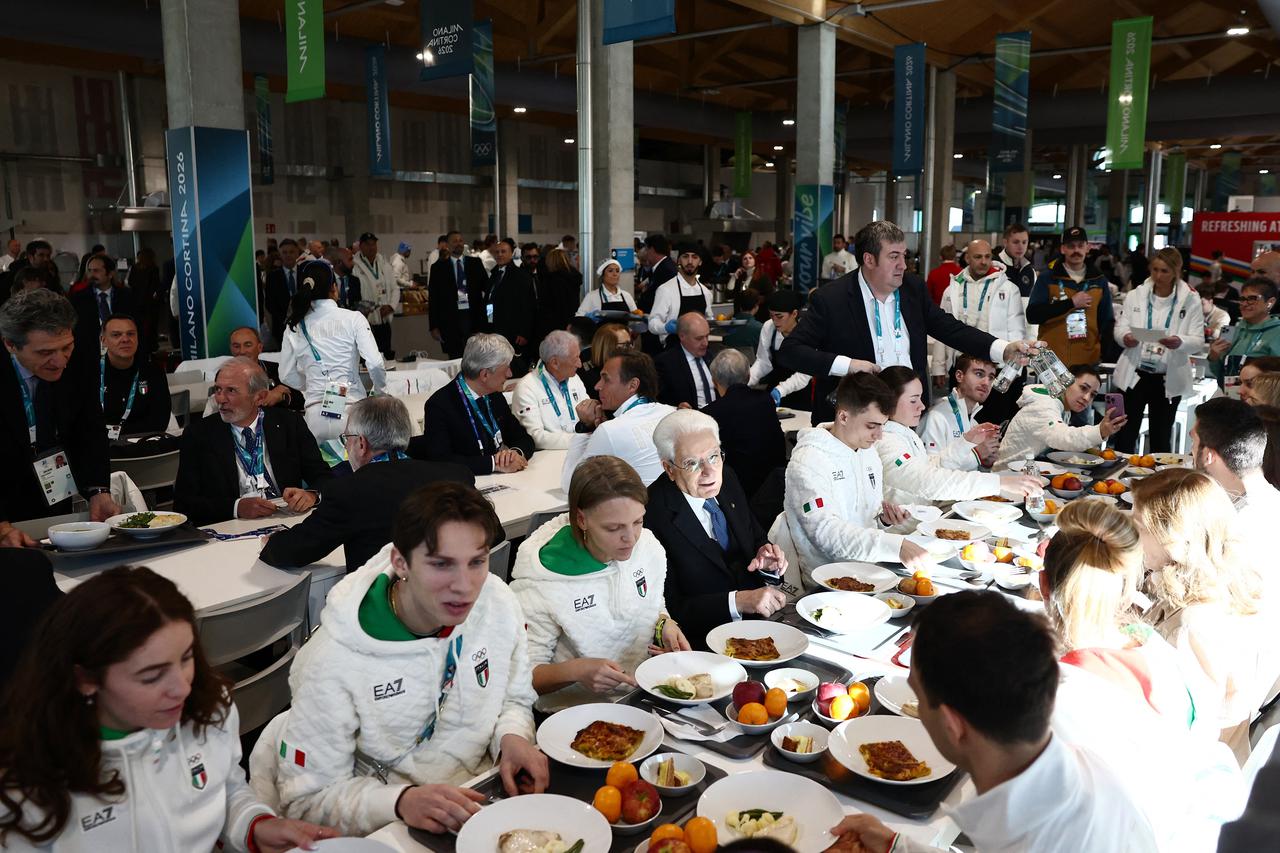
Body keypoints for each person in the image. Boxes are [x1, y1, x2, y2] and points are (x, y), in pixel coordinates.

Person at [249, 482, 548, 837]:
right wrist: (400, 801)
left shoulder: (497, 600)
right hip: (390, 829)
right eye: (442, 564)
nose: (465, 586)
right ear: (400, 562)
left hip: (483, 801)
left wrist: (513, 737)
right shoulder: (333, 659)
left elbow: (514, 695)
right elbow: (308, 800)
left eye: (477, 562)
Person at [0, 566, 337, 851]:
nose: (182, 687)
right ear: (86, 679)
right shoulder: (27, 778)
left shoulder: (208, 709)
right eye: (151, 676)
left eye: (186, 658)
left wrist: (254, 824)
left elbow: (226, 787)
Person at [827, 591, 1159, 853]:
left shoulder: (1037, 839)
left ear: (952, 725)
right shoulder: (1086, 766)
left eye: (917, 695)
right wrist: (895, 846)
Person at [777, 220, 1033, 425]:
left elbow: (950, 329)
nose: (903, 264)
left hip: (906, 419)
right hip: (855, 420)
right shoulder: (832, 299)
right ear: (869, 259)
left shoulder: (912, 288)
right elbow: (792, 352)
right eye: (894, 256)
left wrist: (1004, 348)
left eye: (904, 255)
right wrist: (848, 365)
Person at [511, 456, 688, 699]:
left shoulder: (649, 547)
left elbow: (654, 604)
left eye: (638, 521)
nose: (631, 538)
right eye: (613, 528)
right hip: (576, 716)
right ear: (582, 519)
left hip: (646, 692)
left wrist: (664, 624)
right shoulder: (542, 581)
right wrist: (574, 671)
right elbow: (521, 678)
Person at [1131, 468, 1270, 760]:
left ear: (1174, 540)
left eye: (1140, 528)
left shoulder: (1195, 625)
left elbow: (1195, 727)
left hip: (1187, 772)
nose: (1133, 538)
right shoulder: (1213, 581)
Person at [259, 397, 473, 573]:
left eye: (347, 439)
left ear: (361, 444)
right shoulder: (456, 477)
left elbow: (297, 550)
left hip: (383, 612)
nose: (347, 445)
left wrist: (272, 543)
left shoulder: (349, 491)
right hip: (454, 606)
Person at [643, 410, 790, 649]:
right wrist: (739, 601)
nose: (709, 471)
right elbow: (670, 608)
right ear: (669, 469)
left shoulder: (728, 479)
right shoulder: (652, 514)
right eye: (692, 463)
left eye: (713, 456)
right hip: (702, 644)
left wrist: (769, 566)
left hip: (759, 629)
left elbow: (756, 541)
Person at [783, 373, 931, 584]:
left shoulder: (867, 452)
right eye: (872, 426)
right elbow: (825, 532)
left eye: (882, 425)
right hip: (829, 580)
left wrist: (883, 521)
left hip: (871, 568)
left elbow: (864, 519)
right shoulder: (809, 461)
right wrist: (893, 546)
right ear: (843, 417)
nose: (879, 435)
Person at [1, 289, 119, 541]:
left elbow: (90, 427)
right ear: (10, 345)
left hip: (54, 490)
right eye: (45, 353)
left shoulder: (79, 357)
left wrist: (98, 489)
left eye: (66, 347)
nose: (59, 361)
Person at [174, 357, 331, 525]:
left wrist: (312, 495)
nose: (220, 399)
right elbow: (184, 504)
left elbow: (323, 477)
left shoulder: (290, 424)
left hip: (289, 520)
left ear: (259, 397)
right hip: (232, 527)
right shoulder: (199, 434)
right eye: (218, 389)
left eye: (231, 391)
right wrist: (236, 507)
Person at [874, 366, 1041, 506]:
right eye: (913, 400)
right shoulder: (887, 441)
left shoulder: (905, 433)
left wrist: (966, 441)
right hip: (902, 534)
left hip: (920, 521)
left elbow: (933, 466)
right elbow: (927, 480)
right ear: (888, 401)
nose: (922, 406)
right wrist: (998, 483)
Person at [277, 261, 387, 443]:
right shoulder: (353, 318)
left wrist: (312, 386)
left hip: (314, 414)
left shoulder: (294, 325)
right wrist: (381, 392)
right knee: (358, 470)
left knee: (319, 471)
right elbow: (375, 363)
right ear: (334, 288)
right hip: (352, 410)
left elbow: (286, 374)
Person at [1111, 247, 1205, 453]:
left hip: (1166, 376)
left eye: (1164, 271)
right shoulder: (1136, 295)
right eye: (1154, 270)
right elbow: (1120, 328)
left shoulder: (1191, 300)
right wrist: (1125, 338)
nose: (1158, 276)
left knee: (1161, 436)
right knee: (1125, 434)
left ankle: (1158, 481)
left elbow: (1198, 340)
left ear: (1176, 271)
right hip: (1135, 373)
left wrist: (1179, 341)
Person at [931, 238, 1027, 422]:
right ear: (967, 258)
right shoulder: (952, 289)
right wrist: (938, 367)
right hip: (961, 366)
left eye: (987, 257)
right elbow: (941, 330)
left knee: (994, 421)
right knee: (959, 421)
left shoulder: (1008, 288)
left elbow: (1016, 331)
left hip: (995, 368)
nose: (983, 261)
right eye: (977, 257)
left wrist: (1015, 371)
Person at [418, 334, 533, 476]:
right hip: (466, 487)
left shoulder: (494, 395)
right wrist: (493, 464)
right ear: (484, 375)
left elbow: (523, 438)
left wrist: (514, 454)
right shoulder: (440, 405)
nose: (510, 374)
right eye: (506, 369)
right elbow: (441, 460)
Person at [561, 350, 675, 492]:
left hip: (637, 511)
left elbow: (570, 485)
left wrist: (585, 428)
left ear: (632, 385)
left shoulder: (610, 430)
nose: (597, 386)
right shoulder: (672, 412)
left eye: (606, 379)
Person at [1189, 397, 1280, 566]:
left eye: (1193, 442)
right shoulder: (1269, 498)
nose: (1191, 451)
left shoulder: (1235, 529)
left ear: (1209, 456)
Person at [994, 363, 1127, 470]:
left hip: (1027, 471)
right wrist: (1100, 431)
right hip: (1008, 475)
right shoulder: (1044, 404)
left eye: (1093, 394)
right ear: (1065, 382)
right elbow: (1061, 437)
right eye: (1083, 388)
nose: (1087, 398)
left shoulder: (1062, 405)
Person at [703, 349, 786, 500]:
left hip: (737, 491)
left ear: (714, 382)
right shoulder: (765, 400)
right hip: (774, 484)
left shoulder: (710, 413)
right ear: (748, 376)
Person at [1028, 226, 1116, 367]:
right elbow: (1033, 315)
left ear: (1087, 248)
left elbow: (1106, 322)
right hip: (1051, 361)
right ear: (1063, 249)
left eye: (1080, 246)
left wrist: (1105, 356)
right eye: (1071, 246)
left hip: (1088, 361)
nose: (1076, 250)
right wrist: (1071, 303)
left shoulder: (1099, 280)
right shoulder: (1048, 278)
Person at [511, 330, 599, 450]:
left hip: (579, 450)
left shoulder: (574, 378)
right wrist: (585, 439)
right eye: (576, 358)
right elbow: (535, 438)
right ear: (555, 363)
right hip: (547, 460)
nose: (579, 364)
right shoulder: (526, 387)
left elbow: (587, 417)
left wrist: (591, 421)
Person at [919, 354, 1000, 470]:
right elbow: (930, 472)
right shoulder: (936, 417)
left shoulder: (974, 423)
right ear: (959, 376)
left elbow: (969, 472)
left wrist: (986, 462)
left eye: (991, 377)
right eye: (979, 374)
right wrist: (977, 455)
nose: (986, 383)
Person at [97, 313, 170, 437]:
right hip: (99, 447)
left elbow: (159, 422)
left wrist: (118, 433)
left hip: (142, 446)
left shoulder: (153, 372)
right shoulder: (90, 374)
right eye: (116, 335)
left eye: (130, 334)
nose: (125, 339)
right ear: (103, 340)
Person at [473, 238, 536, 369]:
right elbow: (489, 301)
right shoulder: (494, 274)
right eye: (497, 252)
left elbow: (528, 306)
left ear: (511, 253)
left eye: (503, 251)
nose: (500, 254)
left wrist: (524, 332)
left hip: (513, 330)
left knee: (512, 366)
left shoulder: (521, 275)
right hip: (494, 328)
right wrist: (487, 323)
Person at [1209, 277, 1280, 389]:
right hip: (1229, 396)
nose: (1245, 304)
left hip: (1261, 401)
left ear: (1270, 302)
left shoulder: (1277, 332)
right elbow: (1217, 372)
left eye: (1252, 298)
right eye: (1242, 299)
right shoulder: (1230, 331)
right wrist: (1213, 357)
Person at [746, 289, 810, 408]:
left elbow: (804, 374)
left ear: (794, 314)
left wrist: (781, 390)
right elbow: (763, 362)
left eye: (779, 316)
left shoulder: (807, 332)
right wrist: (746, 381)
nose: (774, 321)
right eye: (771, 315)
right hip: (774, 392)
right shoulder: (768, 328)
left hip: (801, 393)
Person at [70, 252, 137, 361]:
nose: (91, 275)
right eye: (89, 271)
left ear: (110, 274)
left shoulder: (126, 296)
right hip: (89, 355)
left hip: (122, 352)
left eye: (96, 271)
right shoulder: (78, 298)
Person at [428, 231, 485, 358]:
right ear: (447, 245)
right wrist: (433, 326)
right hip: (450, 320)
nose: (458, 243)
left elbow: (488, 292)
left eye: (460, 240)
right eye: (454, 241)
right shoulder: (438, 268)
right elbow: (433, 298)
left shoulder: (475, 264)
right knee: (455, 358)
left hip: (473, 318)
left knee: (476, 358)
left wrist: (489, 317)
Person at [647, 249, 713, 347]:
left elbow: (708, 321)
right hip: (674, 349)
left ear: (700, 262)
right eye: (685, 256)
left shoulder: (706, 292)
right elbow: (652, 323)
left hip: (700, 349)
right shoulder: (665, 290)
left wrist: (722, 328)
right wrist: (665, 327)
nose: (690, 261)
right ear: (678, 261)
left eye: (694, 257)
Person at [227, 326, 302, 411]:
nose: (242, 351)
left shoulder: (276, 369)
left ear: (260, 347)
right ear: (231, 349)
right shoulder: (225, 374)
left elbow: (301, 401)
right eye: (236, 346)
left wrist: (281, 396)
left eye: (248, 345)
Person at [655, 313, 719, 409]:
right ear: (682, 336)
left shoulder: (713, 357)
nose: (705, 343)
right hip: (688, 420)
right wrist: (675, 408)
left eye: (707, 336)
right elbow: (658, 401)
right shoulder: (666, 363)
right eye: (699, 338)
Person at [351, 233, 398, 359]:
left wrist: (391, 306)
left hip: (384, 318)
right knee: (368, 357)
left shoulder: (384, 263)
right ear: (361, 246)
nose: (371, 247)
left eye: (374, 244)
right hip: (367, 320)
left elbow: (395, 288)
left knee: (386, 355)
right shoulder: (354, 266)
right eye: (367, 244)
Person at [264, 238, 303, 348]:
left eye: (291, 252)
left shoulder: (305, 273)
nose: (288, 255)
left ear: (297, 253)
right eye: (284, 252)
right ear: (280, 254)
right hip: (281, 329)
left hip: (305, 327)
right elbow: (269, 305)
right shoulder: (272, 277)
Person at [578, 321, 630, 398]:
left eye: (630, 344)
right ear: (607, 345)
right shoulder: (582, 363)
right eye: (625, 345)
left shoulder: (629, 364)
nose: (630, 349)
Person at [996, 222, 1037, 297]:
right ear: (1005, 242)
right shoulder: (994, 266)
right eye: (1016, 242)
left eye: (1024, 242)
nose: (1021, 247)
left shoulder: (1030, 271)